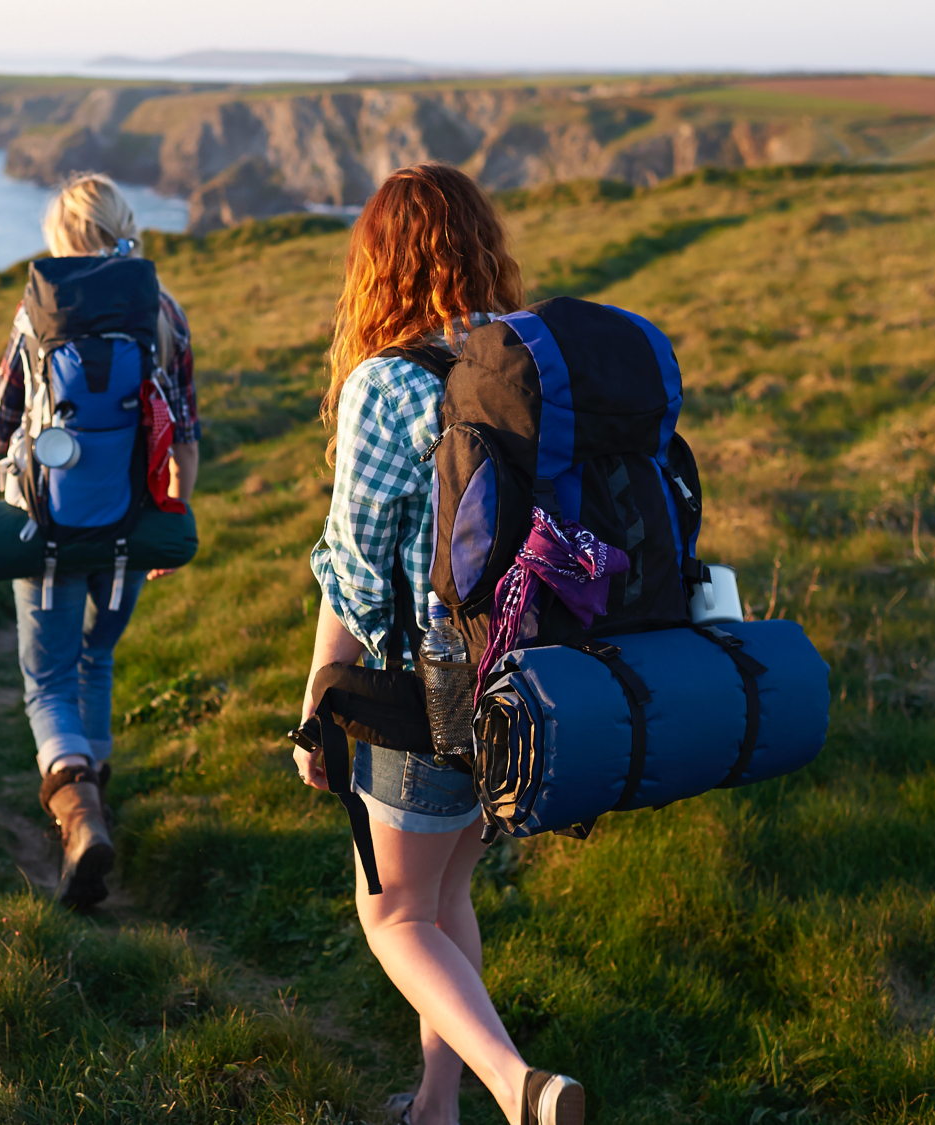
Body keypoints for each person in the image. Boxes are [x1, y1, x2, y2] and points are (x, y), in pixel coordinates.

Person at [294, 163, 589, 1125]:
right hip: (528, 683)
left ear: (379, 264)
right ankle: (434, 1105)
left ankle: (517, 1087)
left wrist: (314, 711)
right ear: (480, 245)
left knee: (392, 916)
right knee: (445, 895)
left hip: (422, 698)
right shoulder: (526, 364)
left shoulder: (387, 384)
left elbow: (353, 569)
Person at [0, 173, 199, 909]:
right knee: (96, 654)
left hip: (46, 527)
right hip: (131, 527)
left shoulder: (37, 312)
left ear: (59, 239)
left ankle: (77, 814)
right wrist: (171, 514)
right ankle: (94, 797)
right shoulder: (163, 311)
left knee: (46, 678)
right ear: (124, 226)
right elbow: (186, 437)